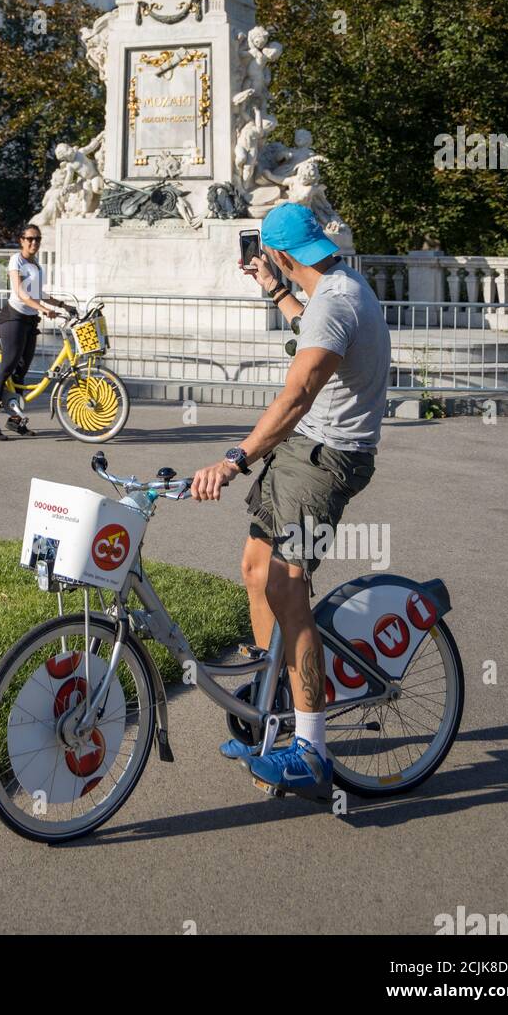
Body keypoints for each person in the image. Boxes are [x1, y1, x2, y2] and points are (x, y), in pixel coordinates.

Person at [189, 203, 391, 801]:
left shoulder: (337, 301)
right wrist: (277, 291)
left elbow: (300, 390)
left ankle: (310, 750)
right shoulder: (335, 288)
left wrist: (235, 458)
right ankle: (271, 709)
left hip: (328, 459)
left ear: (278, 250)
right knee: (255, 570)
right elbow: (314, 330)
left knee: (287, 588)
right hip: (304, 449)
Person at [0, 225, 73, 441]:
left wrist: (62, 305)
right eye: (30, 239)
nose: (34, 243)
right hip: (14, 318)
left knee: (21, 372)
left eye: (37, 239)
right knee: (7, 367)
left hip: (30, 320)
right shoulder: (17, 260)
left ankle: (14, 420)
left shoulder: (35, 264)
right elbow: (21, 292)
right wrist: (43, 308)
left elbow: (37, 293)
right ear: (21, 240)